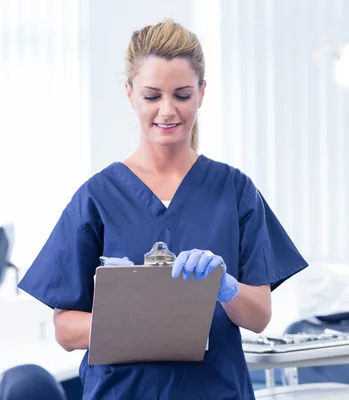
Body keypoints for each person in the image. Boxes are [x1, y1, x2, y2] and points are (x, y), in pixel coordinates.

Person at [17, 19, 308, 400]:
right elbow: (66, 331)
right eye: (152, 96)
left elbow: (258, 317)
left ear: (202, 93)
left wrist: (226, 287)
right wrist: (127, 316)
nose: (167, 111)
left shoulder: (234, 191)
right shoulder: (98, 197)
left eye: (182, 95)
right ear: (130, 94)